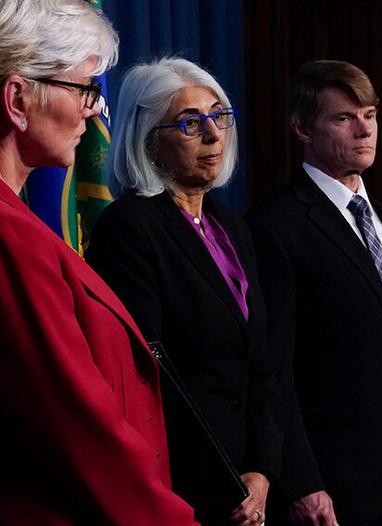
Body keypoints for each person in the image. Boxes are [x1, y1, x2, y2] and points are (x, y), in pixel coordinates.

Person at [247, 60, 382, 526]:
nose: (363, 129)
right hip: (335, 487)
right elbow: (275, 371)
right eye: (344, 118)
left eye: (369, 115)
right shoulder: (276, 227)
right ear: (302, 129)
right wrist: (302, 479)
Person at [0, 1, 197, 523]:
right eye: (85, 87)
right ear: (17, 99)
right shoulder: (8, 239)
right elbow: (80, 429)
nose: (94, 108)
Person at [86, 57, 282, 526]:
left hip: (248, 482)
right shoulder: (130, 229)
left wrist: (261, 470)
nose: (214, 134)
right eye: (191, 123)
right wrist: (225, 483)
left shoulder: (232, 227)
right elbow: (149, 375)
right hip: (183, 484)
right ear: (149, 139)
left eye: (219, 115)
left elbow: (261, 363)